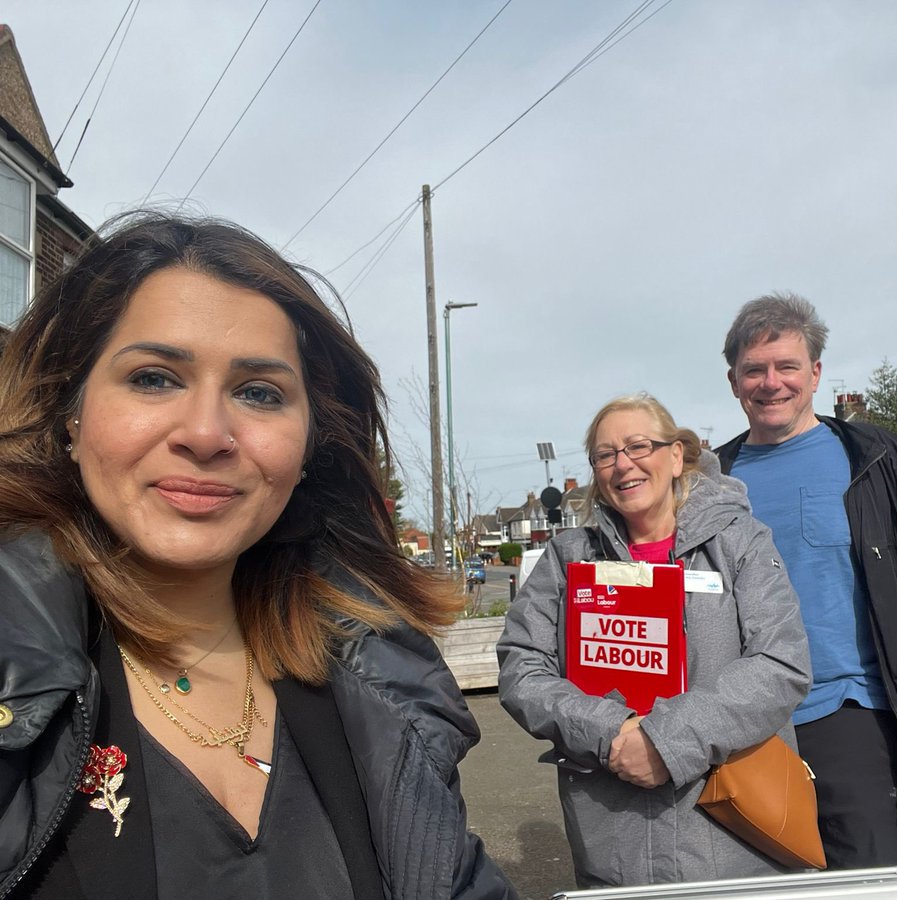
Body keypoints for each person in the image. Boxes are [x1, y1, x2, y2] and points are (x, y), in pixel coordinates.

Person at [0, 213, 516, 900]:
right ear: (70, 413)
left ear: (308, 448)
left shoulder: (383, 683)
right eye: (155, 378)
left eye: (258, 393)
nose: (208, 433)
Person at [715, 292, 897, 870]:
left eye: (786, 366)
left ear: (815, 373)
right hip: (740, 728)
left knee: (871, 883)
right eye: (754, 370)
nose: (771, 383)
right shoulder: (711, 481)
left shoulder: (873, 459)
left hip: (853, 717)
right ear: (733, 381)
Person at [497, 393, 811, 888]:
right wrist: (610, 732)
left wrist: (666, 742)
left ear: (676, 455)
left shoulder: (740, 541)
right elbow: (522, 669)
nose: (623, 464)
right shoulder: (568, 559)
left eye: (638, 446)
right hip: (611, 838)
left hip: (730, 836)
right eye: (605, 454)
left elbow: (781, 663)